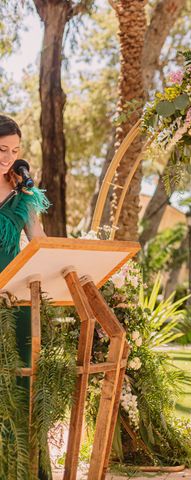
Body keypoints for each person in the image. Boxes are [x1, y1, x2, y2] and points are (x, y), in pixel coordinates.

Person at [0, 115, 49, 476]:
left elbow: (40, 243)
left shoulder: (24, 194)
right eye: (2, 149)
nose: (8, 157)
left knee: (18, 383)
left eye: (15, 150)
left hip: (12, 298)